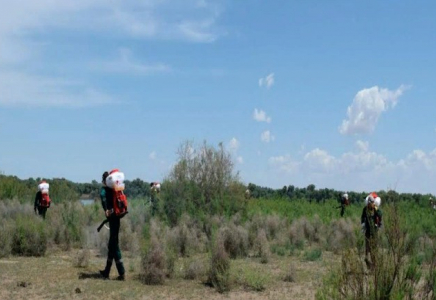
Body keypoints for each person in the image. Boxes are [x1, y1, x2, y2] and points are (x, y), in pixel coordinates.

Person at [99, 171, 125, 280]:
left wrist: (106, 210)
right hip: (117, 218)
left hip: (113, 219)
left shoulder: (104, 190)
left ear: (104, 181)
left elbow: (103, 198)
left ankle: (122, 272)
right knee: (112, 244)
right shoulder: (115, 189)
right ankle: (107, 271)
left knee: (114, 245)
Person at [361, 194, 382, 269]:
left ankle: (374, 266)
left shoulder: (376, 210)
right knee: (367, 250)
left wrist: (376, 209)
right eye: (370, 203)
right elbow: (363, 218)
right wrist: (363, 225)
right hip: (367, 232)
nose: (372, 204)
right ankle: (368, 263)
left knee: (373, 251)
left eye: (373, 203)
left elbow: (380, 215)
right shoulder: (365, 209)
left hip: (374, 233)